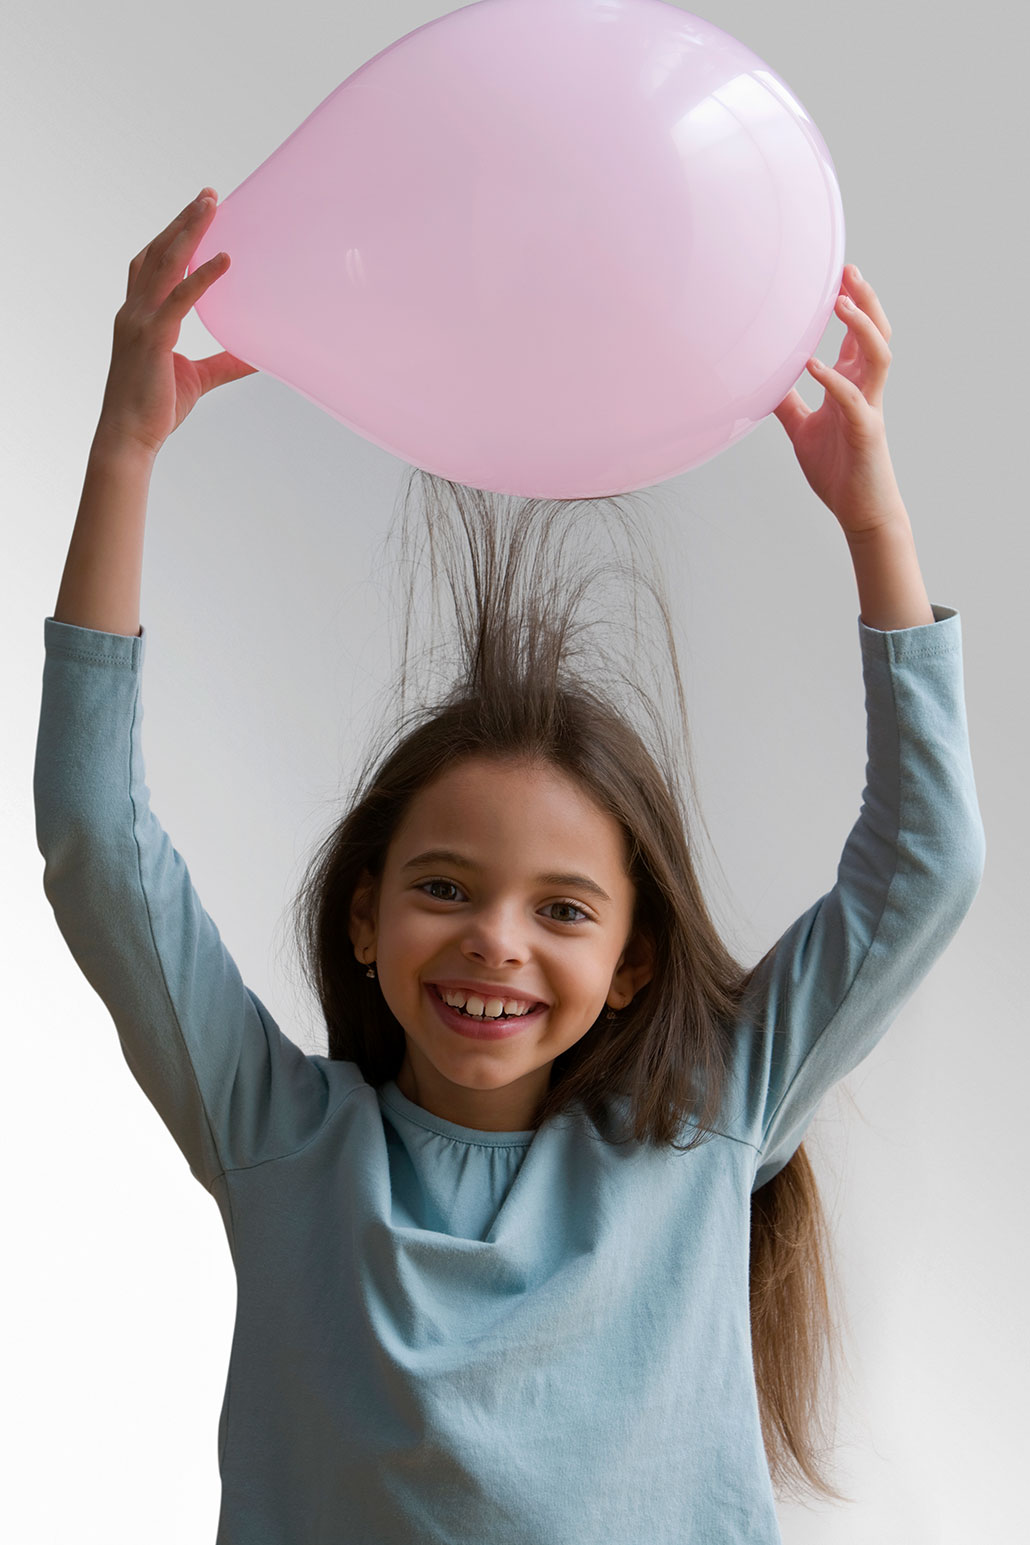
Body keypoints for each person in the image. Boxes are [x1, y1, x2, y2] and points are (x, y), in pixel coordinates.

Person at [34, 189, 985, 1544]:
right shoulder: (281, 1141)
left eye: (562, 908)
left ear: (629, 960)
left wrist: (871, 519)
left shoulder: (705, 1128)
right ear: (363, 916)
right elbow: (94, 840)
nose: (495, 938)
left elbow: (925, 864)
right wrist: (125, 450)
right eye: (442, 886)